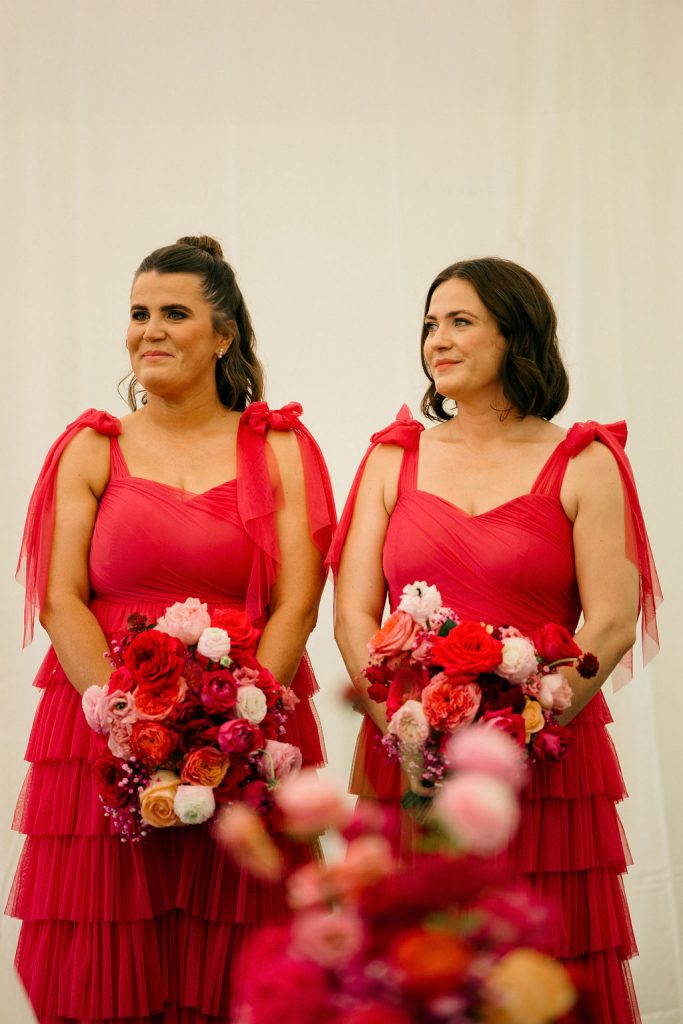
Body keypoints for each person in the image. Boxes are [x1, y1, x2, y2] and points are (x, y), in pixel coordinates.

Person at [7, 235, 336, 1024]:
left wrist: (236, 720)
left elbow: (297, 603)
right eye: (138, 313)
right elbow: (60, 599)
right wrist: (130, 723)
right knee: (108, 951)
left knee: (247, 946)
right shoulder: (93, 446)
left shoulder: (280, 445)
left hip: (243, 725)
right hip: (101, 725)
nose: (149, 330)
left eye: (174, 313)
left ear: (224, 336)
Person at [330, 257, 661, 1024]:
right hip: (408, 754)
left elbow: (612, 622)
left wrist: (521, 731)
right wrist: (409, 738)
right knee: (411, 969)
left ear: (516, 335)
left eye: (460, 322)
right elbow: (351, 617)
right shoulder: (391, 457)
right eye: (429, 325)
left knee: (535, 975)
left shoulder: (584, 460)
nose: (436, 341)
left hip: (543, 761)